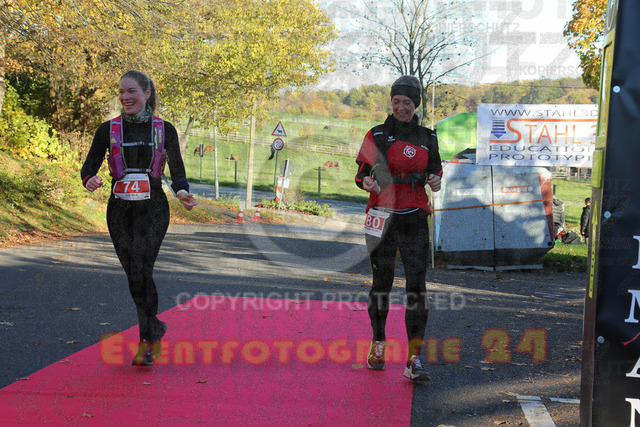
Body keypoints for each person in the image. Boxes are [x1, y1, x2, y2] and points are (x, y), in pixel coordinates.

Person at [81, 70, 197, 366]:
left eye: (131, 91)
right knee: (134, 275)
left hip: (153, 209)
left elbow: (178, 172)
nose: (125, 97)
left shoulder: (164, 129)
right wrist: (89, 179)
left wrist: (183, 192)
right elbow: (88, 166)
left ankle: (147, 341)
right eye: (121, 92)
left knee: (142, 269)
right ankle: (154, 326)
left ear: (147, 93)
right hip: (119, 211)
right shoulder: (107, 129)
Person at [355, 75, 443, 381]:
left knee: (417, 288)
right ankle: (378, 344)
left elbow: (435, 173)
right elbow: (361, 174)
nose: (401, 108)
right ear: (391, 103)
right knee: (382, 284)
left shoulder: (428, 137)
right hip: (382, 217)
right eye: (396, 102)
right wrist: (366, 182)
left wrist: (435, 180)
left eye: (407, 102)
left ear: (416, 104)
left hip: (414, 219)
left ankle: (413, 360)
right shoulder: (377, 134)